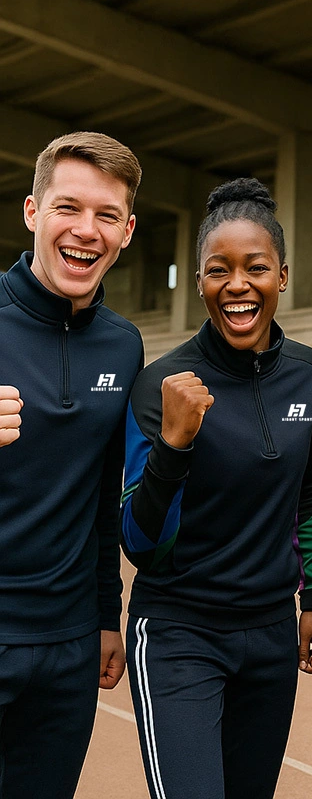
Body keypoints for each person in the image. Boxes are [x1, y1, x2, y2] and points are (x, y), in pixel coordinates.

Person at [119, 177, 312, 799]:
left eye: (255, 268)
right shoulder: (162, 384)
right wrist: (173, 447)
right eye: (218, 270)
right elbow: (139, 542)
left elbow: (305, 495)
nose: (237, 284)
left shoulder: (307, 373)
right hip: (182, 631)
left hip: (269, 636)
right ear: (201, 281)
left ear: (282, 277)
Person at [0, 132, 142, 798]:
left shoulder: (123, 344)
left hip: (69, 644)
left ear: (127, 231)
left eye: (107, 215)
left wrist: (106, 616)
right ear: (32, 212)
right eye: (67, 208)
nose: (86, 231)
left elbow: (103, 497)